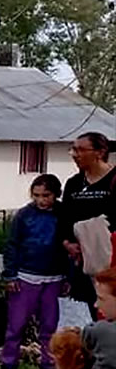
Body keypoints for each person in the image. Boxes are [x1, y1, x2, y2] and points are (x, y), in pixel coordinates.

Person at [0, 174, 69, 369]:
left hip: (54, 277)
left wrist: (69, 276)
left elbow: (70, 246)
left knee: (50, 326)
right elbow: (12, 245)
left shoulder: (64, 214)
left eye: (46, 195)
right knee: (16, 326)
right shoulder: (23, 215)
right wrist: (10, 274)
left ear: (56, 195)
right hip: (25, 276)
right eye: (36, 195)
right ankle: (8, 367)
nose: (41, 200)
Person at [62, 132, 116, 318]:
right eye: (73, 149)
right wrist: (67, 243)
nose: (75, 154)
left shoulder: (114, 180)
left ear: (100, 152)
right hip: (85, 261)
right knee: (95, 308)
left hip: (111, 260)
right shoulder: (74, 184)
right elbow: (65, 219)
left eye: (80, 150)